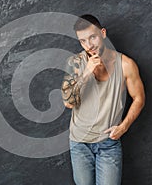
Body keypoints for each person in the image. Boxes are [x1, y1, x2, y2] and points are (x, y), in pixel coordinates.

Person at [61, 14, 145, 185]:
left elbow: (139, 98)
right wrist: (86, 74)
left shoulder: (126, 64)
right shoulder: (75, 63)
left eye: (92, 37)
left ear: (103, 33)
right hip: (79, 144)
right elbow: (68, 103)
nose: (89, 45)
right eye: (83, 41)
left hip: (108, 144)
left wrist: (123, 127)